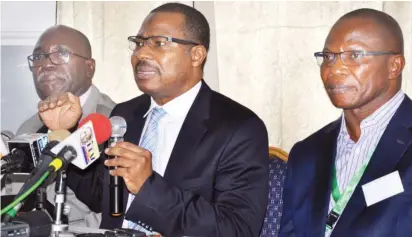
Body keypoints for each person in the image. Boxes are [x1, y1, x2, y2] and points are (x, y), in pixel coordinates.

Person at [37, 3, 269, 236]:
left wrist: (148, 187)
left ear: (196, 55)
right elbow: (101, 197)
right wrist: (64, 133)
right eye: (138, 43)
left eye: (158, 43)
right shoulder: (125, 114)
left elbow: (236, 229)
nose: (141, 54)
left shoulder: (239, 128)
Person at [279, 8, 412, 237]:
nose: (334, 69)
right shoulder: (306, 154)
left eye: (355, 55)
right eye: (328, 57)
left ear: (394, 66)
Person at [16, 25, 116, 228]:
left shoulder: (113, 121)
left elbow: (110, 206)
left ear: (90, 67)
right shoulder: (29, 126)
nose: (46, 64)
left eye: (61, 54)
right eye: (38, 57)